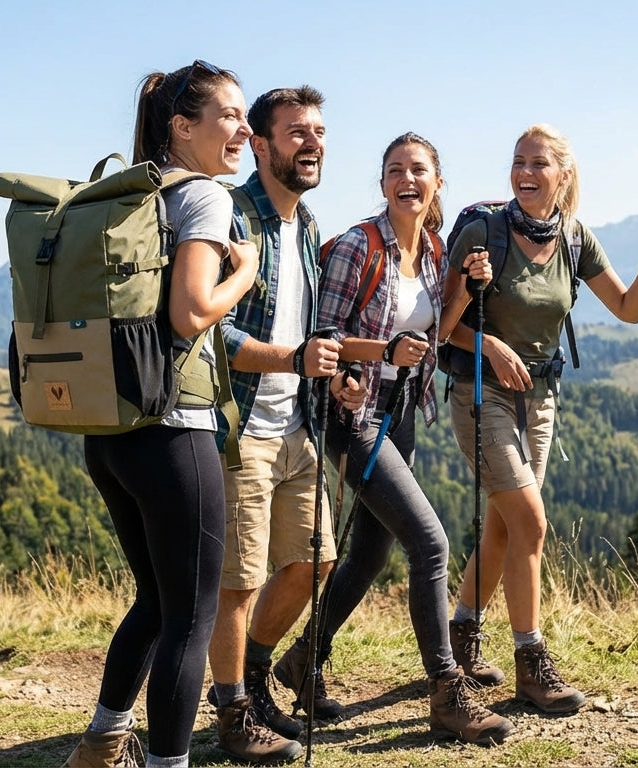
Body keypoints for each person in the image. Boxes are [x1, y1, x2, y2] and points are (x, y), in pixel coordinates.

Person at [272, 132, 515, 746]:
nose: (407, 179)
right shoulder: (359, 246)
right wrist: (360, 369)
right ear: (382, 184)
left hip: (402, 413)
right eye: (395, 170)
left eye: (419, 170)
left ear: (436, 182)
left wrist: (466, 284)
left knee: (372, 554)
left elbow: (435, 336)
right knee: (430, 544)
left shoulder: (435, 252)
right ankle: (446, 689)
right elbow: (325, 333)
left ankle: (303, 660)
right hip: (352, 416)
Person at [442, 124, 638, 713]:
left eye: (537, 163)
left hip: (542, 400)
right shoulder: (482, 232)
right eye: (518, 161)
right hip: (481, 394)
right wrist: (489, 344)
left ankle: (459, 641)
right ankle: (531, 660)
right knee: (532, 523)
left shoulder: (574, 238)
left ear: (562, 175)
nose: (524, 172)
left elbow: (627, 309)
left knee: (505, 527)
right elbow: (440, 326)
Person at [67, 60, 258, 768]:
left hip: (110, 432)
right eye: (230, 116)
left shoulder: (132, 194)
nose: (244, 128)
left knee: (155, 599)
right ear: (184, 127)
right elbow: (190, 314)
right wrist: (245, 273)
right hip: (175, 430)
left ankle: (101, 744)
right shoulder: (203, 196)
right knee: (191, 616)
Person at [206, 85, 365, 764]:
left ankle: (255, 677)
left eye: (320, 132)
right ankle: (232, 713)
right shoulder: (231, 218)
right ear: (262, 145)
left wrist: (332, 370)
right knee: (238, 583)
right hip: (239, 430)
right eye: (296, 132)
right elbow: (209, 331)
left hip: (296, 423)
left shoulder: (310, 227)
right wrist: (293, 358)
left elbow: (308, 330)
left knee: (315, 561)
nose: (312, 143)